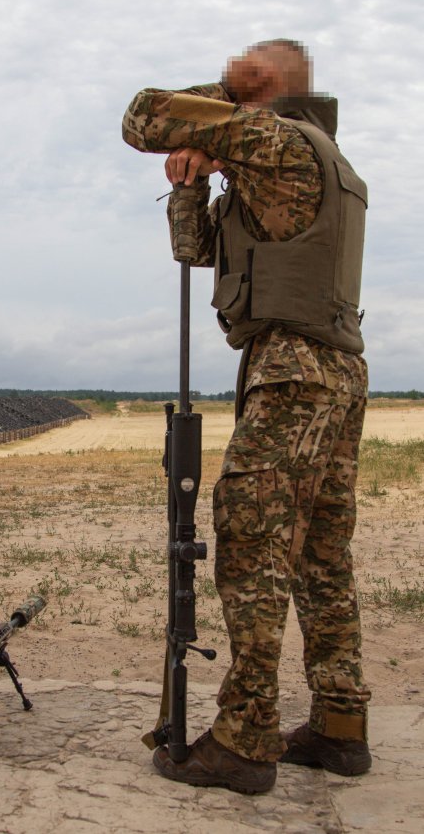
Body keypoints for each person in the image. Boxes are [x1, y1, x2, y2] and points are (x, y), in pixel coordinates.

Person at [122, 39, 372, 794]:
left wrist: (211, 109)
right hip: (330, 371)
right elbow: (196, 249)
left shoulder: (280, 137)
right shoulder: (313, 161)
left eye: (243, 82)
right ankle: (339, 723)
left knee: (253, 539)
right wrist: (191, 184)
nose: (228, 91)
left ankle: (245, 737)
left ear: (273, 93)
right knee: (322, 554)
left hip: (294, 369)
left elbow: (143, 116)